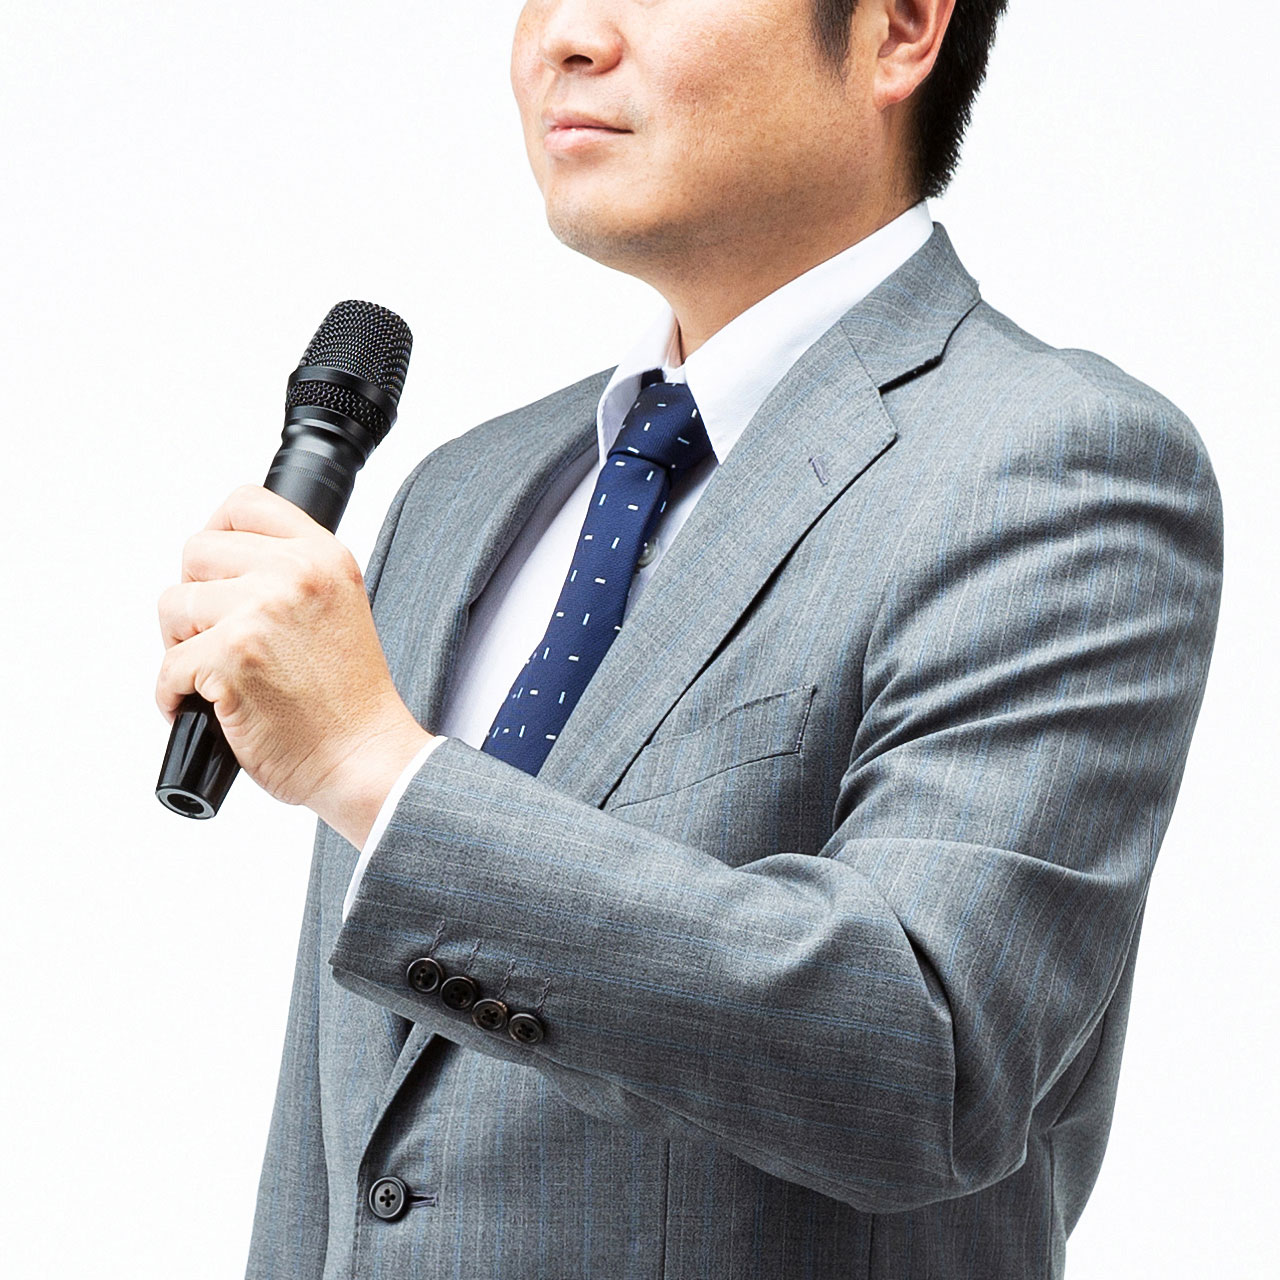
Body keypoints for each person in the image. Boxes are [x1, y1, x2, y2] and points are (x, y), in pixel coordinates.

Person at [155, 1, 1223, 1276]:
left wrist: (378, 775)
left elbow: (933, 1054)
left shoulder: (1052, 461)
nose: (565, 35)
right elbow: (336, 1161)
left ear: (896, 29)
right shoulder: (460, 492)